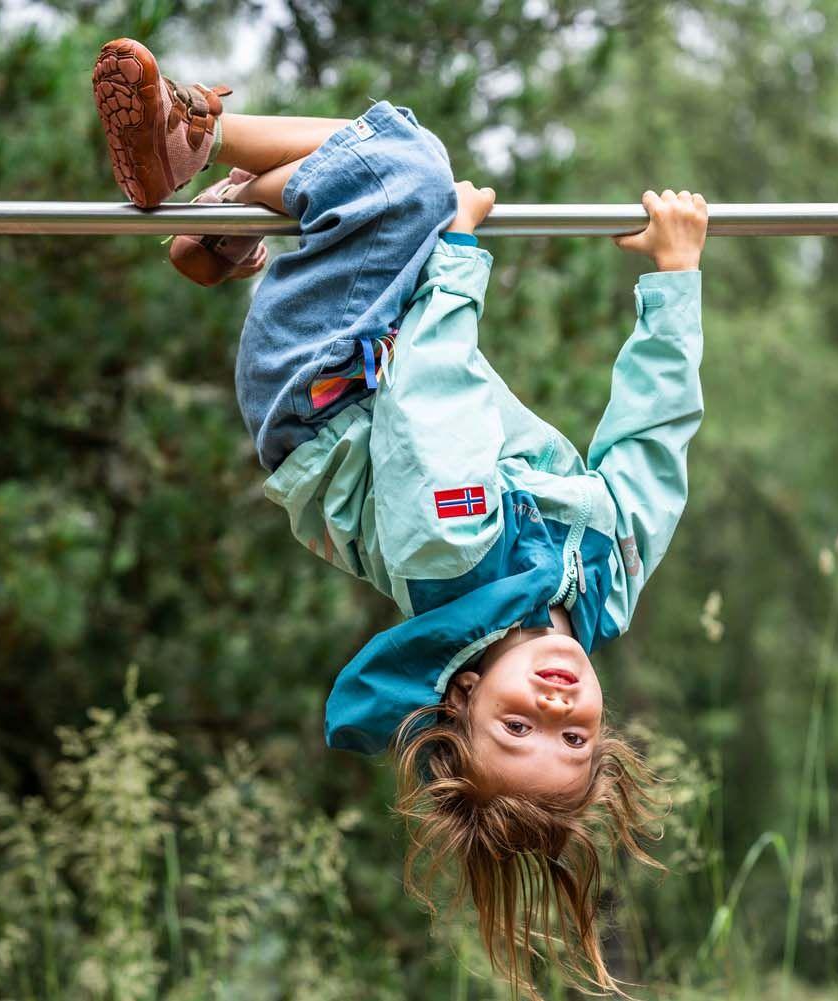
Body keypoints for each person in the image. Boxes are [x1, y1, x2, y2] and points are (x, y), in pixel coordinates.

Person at [93, 37, 709, 997]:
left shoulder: (452, 557)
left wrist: (457, 257)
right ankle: (228, 225)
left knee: (412, 172)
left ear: (463, 700)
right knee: (393, 174)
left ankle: (195, 143)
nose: (556, 710)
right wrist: (673, 283)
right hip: (381, 351)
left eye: (516, 727)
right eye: (574, 739)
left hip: (322, 383)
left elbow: (432, 404)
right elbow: (652, 446)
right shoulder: (604, 583)